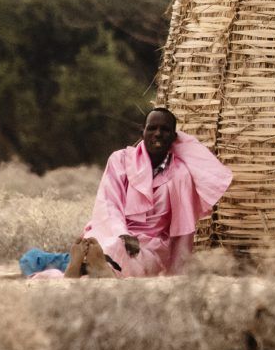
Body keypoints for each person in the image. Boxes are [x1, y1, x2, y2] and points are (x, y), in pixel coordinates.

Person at [72, 106, 232, 278]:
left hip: (151, 244)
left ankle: (99, 269)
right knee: (109, 244)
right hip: (112, 230)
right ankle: (93, 265)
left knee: (134, 258)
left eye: (165, 130)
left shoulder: (180, 174)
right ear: (142, 132)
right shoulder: (120, 160)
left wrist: (178, 272)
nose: (158, 134)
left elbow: (183, 229)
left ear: (174, 137)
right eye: (152, 128)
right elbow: (110, 204)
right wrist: (122, 234)